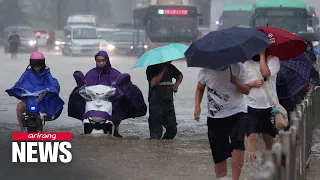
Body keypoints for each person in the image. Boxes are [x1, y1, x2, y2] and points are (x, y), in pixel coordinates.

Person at [194, 63, 250, 180]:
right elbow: (200, 88)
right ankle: (221, 178)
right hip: (215, 116)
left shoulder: (238, 67)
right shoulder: (206, 70)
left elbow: (246, 91)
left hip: (237, 111)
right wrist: (197, 107)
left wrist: (236, 82)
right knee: (219, 153)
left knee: (238, 143)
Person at [6, 52, 64, 132]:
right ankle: (22, 129)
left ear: (43, 63)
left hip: (41, 101)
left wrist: (52, 88)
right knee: (19, 108)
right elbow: (20, 82)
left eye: (38, 63)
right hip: (28, 99)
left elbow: (53, 82)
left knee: (43, 113)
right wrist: (15, 89)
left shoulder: (47, 74)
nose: (37, 66)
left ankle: (39, 128)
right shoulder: (27, 73)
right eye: (35, 63)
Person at [244, 49, 280, 161]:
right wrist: (251, 84)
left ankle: (273, 165)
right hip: (250, 106)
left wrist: (262, 55)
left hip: (269, 106)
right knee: (252, 136)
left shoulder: (274, 60)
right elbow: (239, 86)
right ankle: (250, 167)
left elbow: (265, 73)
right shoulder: (246, 63)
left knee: (269, 138)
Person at [146, 61, 183, 139]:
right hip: (155, 103)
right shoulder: (151, 68)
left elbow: (180, 75)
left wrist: (176, 85)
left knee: (172, 130)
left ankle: (165, 148)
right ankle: (156, 148)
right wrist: (163, 70)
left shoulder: (170, 67)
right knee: (155, 134)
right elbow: (153, 82)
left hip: (168, 102)